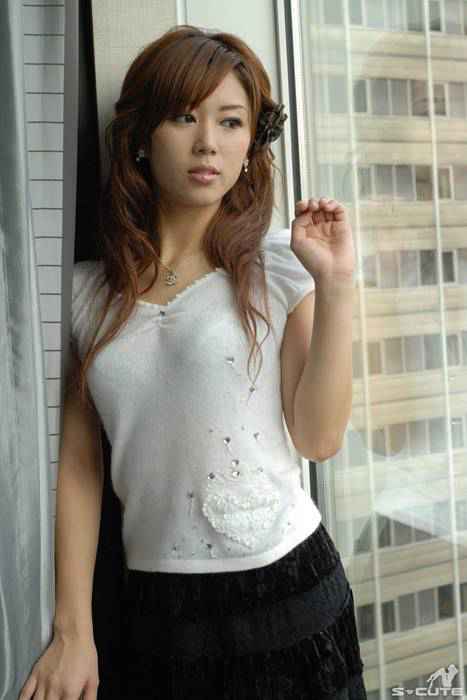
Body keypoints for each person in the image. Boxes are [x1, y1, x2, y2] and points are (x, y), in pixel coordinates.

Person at [19, 24, 366, 700]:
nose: (208, 141)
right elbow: (80, 468)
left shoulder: (277, 266)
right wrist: (73, 630)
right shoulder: (85, 295)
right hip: (156, 611)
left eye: (230, 121)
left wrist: (336, 283)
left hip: (288, 594)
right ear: (142, 137)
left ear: (250, 145)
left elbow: (319, 437)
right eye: (184, 117)